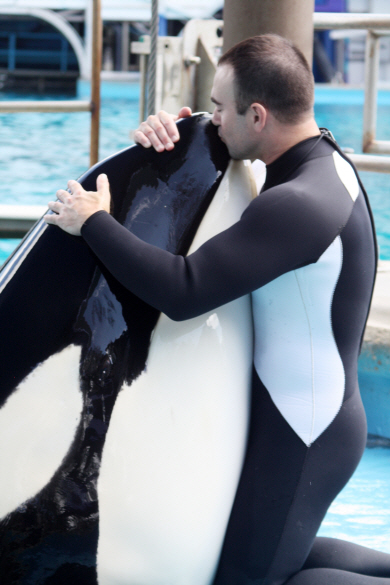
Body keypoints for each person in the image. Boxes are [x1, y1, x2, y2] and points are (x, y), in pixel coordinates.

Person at [44, 34, 390, 585]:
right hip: (303, 419)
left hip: (303, 434)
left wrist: (93, 222)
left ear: (258, 115)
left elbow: (186, 292)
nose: (213, 119)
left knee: (259, 581)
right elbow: (215, 173)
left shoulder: (299, 204)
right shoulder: (317, 160)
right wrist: (175, 138)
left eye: (221, 109)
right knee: (271, 555)